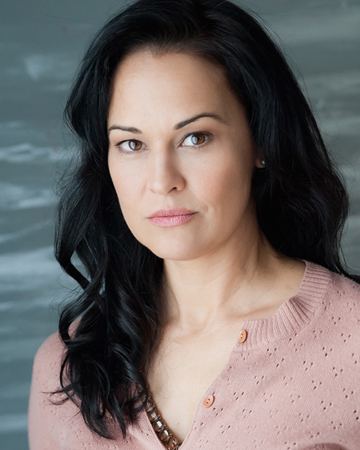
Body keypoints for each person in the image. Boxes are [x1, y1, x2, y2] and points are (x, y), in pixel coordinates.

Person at [28, 0, 360, 449]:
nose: (163, 181)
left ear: (259, 139)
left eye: (194, 138)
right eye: (131, 144)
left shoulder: (351, 341)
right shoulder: (65, 367)